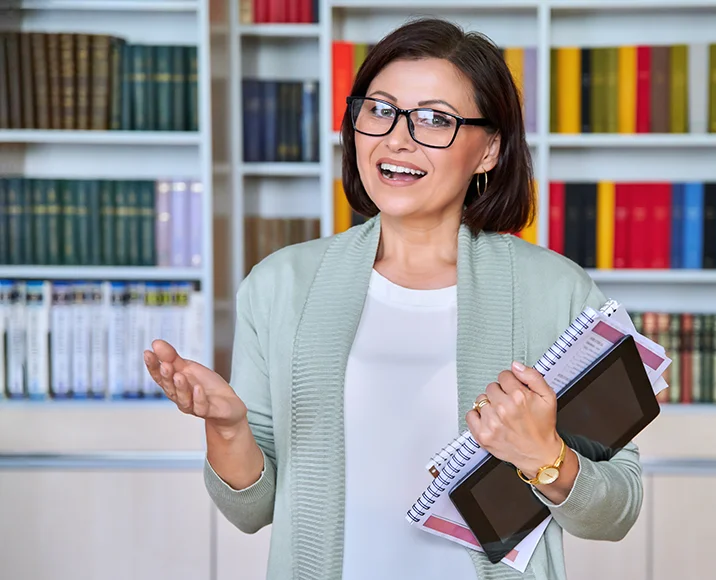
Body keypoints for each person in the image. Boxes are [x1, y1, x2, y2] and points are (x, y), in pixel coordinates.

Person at [143, 16, 643, 580]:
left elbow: (617, 510)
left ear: (489, 150)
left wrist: (542, 455)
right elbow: (251, 510)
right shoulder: (281, 285)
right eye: (380, 109)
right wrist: (229, 428)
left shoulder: (557, 292)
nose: (397, 138)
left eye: (435, 119)